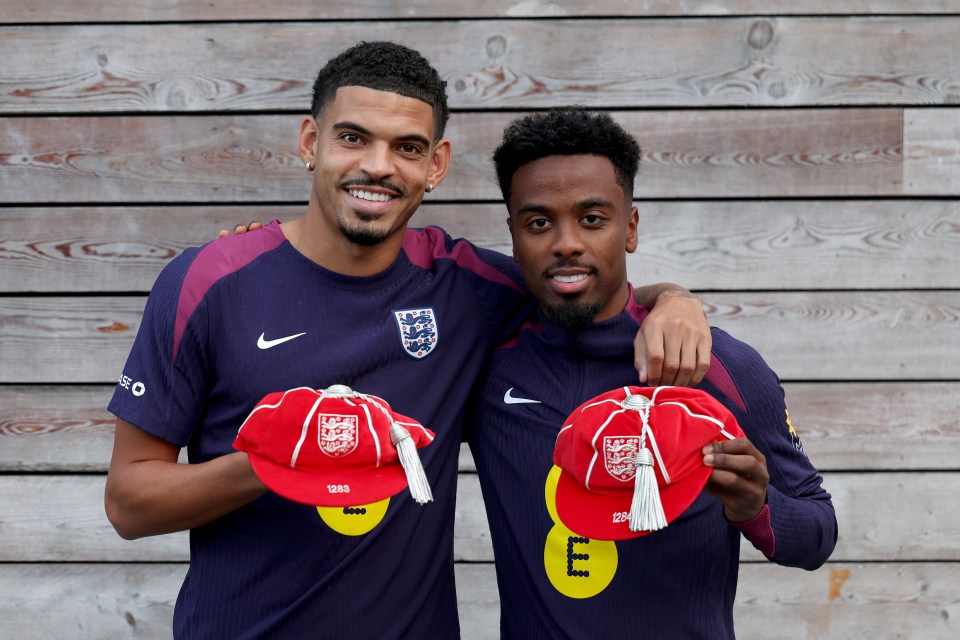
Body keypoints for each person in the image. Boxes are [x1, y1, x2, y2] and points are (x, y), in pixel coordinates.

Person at [103, 42, 710, 639]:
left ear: (436, 165)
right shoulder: (208, 281)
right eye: (353, 138)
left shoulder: (466, 286)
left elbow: (578, 280)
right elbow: (129, 503)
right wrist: (279, 462)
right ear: (311, 143)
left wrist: (673, 298)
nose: (378, 166)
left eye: (407, 148)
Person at [465, 107, 838, 639]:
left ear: (631, 227)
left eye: (592, 219)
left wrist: (755, 506)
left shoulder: (717, 366)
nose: (566, 242)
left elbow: (818, 534)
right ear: (513, 233)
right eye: (539, 222)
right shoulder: (485, 366)